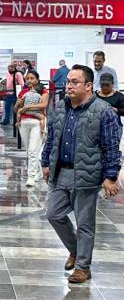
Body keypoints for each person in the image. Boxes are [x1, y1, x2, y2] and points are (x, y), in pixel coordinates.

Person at [41, 64, 122, 284]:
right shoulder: (60, 107)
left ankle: (83, 267)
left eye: (74, 82)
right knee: (53, 214)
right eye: (68, 81)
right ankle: (76, 250)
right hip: (61, 172)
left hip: (87, 174)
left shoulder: (104, 112)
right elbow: (51, 137)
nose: (68, 86)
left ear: (88, 86)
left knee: (85, 224)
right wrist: (45, 162)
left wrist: (110, 176)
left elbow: (112, 147)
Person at [15, 70, 50, 187]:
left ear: (37, 79)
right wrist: (19, 103)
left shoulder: (43, 91)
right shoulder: (23, 92)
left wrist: (27, 107)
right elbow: (16, 109)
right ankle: (38, 172)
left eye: (32, 78)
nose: (29, 80)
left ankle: (31, 177)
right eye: (27, 78)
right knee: (29, 151)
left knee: (33, 151)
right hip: (23, 122)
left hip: (37, 122)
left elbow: (43, 105)